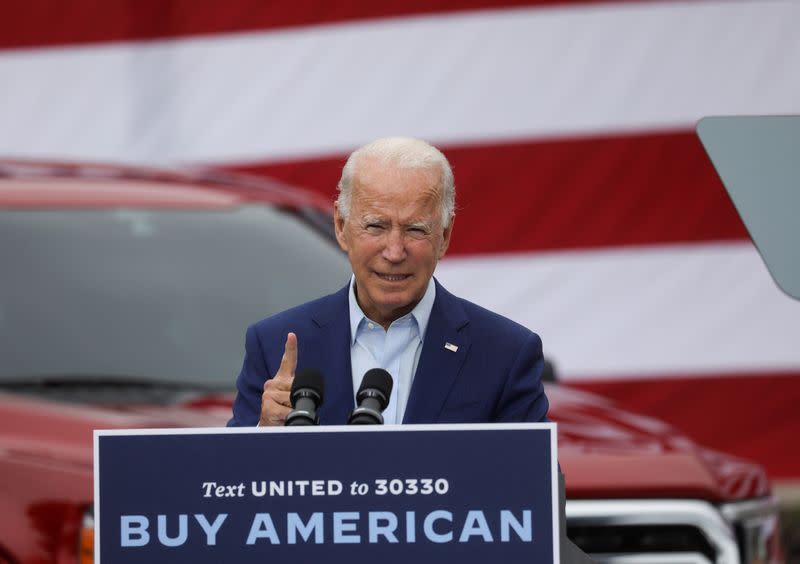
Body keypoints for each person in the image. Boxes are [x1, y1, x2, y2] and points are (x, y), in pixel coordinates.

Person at [228, 136, 550, 427]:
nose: (395, 252)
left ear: (445, 235)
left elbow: (529, 485)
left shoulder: (505, 355)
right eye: (376, 226)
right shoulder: (272, 348)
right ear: (341, 226)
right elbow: (230, 484)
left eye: (415, 229)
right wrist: (263, 434)